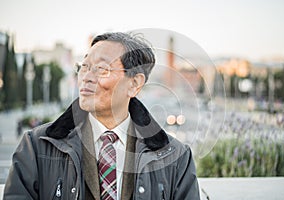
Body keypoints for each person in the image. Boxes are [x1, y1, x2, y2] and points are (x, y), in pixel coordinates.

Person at [4, 32, 200, 200]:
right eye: (85, 67)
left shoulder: (176, 158)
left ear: (134, 84)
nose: (87, 77)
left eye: (101, 69)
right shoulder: (35, 148)